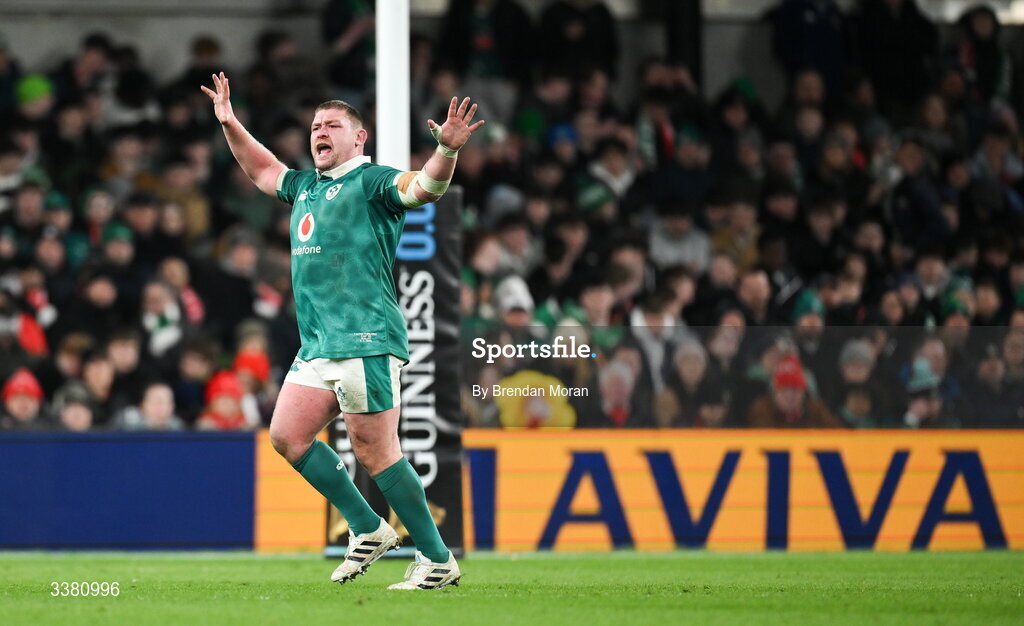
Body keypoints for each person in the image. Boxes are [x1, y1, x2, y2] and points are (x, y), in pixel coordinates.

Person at [202, 72, 483, 589]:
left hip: (365, 338)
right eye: (314, 127)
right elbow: (262, 169)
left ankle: (439, 559)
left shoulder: (371, 180)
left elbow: (424, 187)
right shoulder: (306, 187)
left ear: (359, 138)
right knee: (287, 437)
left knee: (375, 452)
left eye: (332, 125)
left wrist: (446, 150)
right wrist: (230, 123)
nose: (319, 133)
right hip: (319, 344)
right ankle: (367, 528)